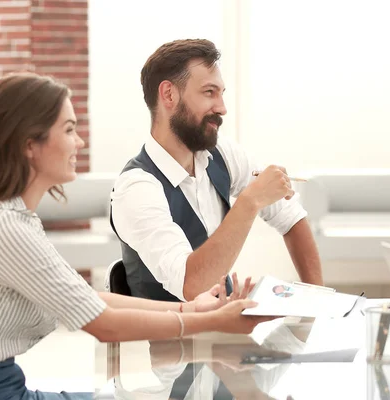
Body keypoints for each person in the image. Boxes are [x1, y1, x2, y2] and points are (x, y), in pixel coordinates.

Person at [0, 73, 271, 400]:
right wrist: (213, 321)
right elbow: (104, 325)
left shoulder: (11, 219)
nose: (80, 141)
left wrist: (188, 307)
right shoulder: (4, 228)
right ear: (30, 144)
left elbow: (88, 298)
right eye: (69, 129)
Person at [110, 39, 324, 303]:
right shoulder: (136, 189)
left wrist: (319, 303)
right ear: (168, 95)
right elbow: (191, 285)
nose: (222, 108)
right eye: (209, 92)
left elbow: (290, 217)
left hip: (225, 327)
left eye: (221, 93)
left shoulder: (221, 154)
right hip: (174, 339)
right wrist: (250, 201)